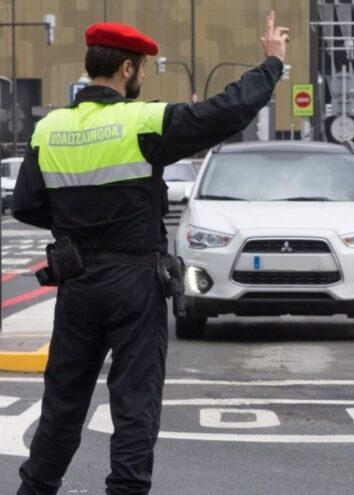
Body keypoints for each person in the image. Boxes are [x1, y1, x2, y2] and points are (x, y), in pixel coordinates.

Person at [11, 12, 290, 494]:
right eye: (142, 67)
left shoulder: (49, 129)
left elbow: (27, 205)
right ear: (127, 70)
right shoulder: (142, 120)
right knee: (134, 408)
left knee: (61, 409)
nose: (143, 75)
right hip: (135, 284)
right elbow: (224, 112)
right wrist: (271, 64)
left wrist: (77, 224)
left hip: (76, 283)